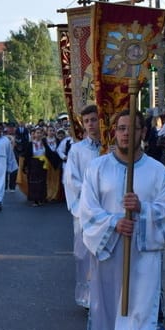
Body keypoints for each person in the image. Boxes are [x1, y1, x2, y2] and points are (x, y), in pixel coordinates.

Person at [80, 110, 165, 330]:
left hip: (143, 254)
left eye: (131, 129)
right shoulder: (97, 169)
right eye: (120, 128)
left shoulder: (157, 172)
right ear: (114, 132)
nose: (125, 134)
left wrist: (142, 209)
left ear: (142, 133)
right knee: (112, 309)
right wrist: (113, 222)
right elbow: (88, 209)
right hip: (110, 251)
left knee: (140, 311)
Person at [62, 104, 101, 309]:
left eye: (93, 120)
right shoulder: (77, 150)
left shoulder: (108, 147)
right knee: (84, 253)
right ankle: (87, 297)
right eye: (86, 121)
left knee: (103, 252)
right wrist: (90, 195)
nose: (90, 125)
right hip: (84, 209)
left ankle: (105, 295)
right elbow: (71, 180)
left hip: (106, 209)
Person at [23, 127, 48, 207]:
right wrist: (25, 166)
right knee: (34, 182)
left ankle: (41, 198)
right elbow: (27, 156)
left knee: (42, 182)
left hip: (42, 164)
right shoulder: (30, 144)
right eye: (37, 133)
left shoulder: (44, 143)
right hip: (33, 164)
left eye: (40, 133)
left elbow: (49, 153)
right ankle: (35, 199)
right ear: (34, 134)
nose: (39, 134)